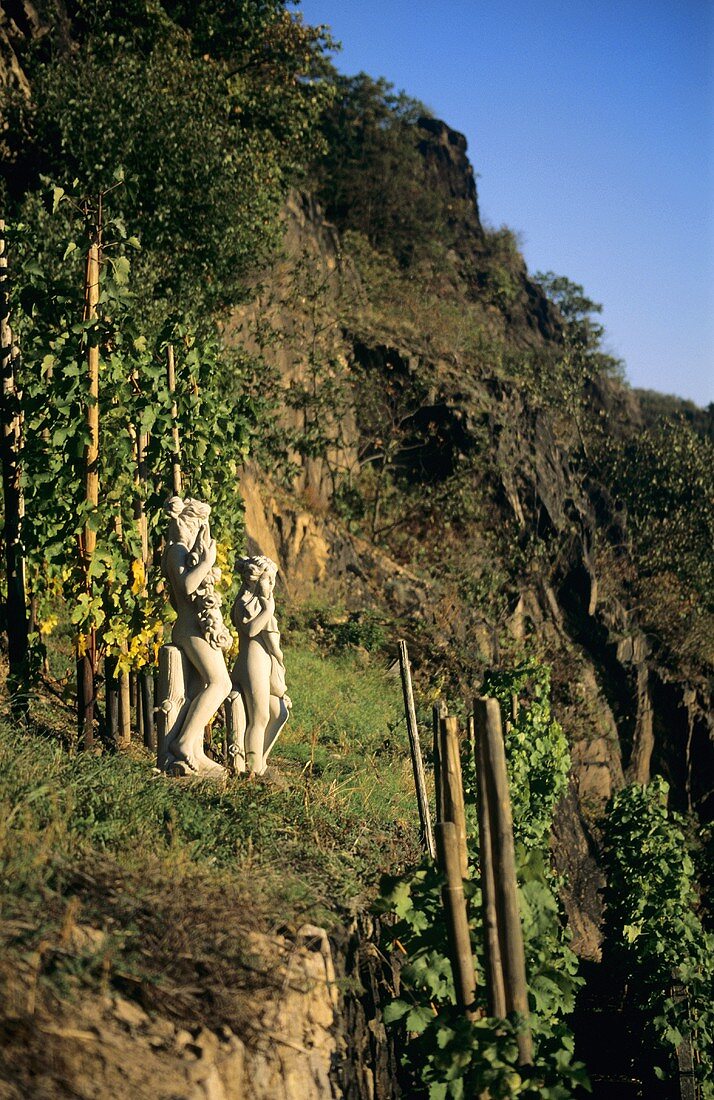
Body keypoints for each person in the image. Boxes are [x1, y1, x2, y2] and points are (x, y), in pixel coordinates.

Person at [161, 496, 232, 776]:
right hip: (192, 631)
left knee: (196, 692)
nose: (204, 529)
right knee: (221, 684)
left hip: (194, 628)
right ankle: (184, 742)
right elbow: (188, 586)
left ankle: (193, 751)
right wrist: (208, 562)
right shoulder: (177, 551)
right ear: (188, 522)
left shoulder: (182, 551)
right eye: (201, 523)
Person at [229, 555, 291, 776]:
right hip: (251, 661)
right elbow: (251, 630)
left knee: (279, 712)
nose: (272, 585)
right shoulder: (244, 603)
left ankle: (260, 759)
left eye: (273, 579)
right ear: (253, 580)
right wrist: (267, 611)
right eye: (267, 579)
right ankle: (252, 768)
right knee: (260, 717)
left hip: (264, 662)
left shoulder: (264, 601)